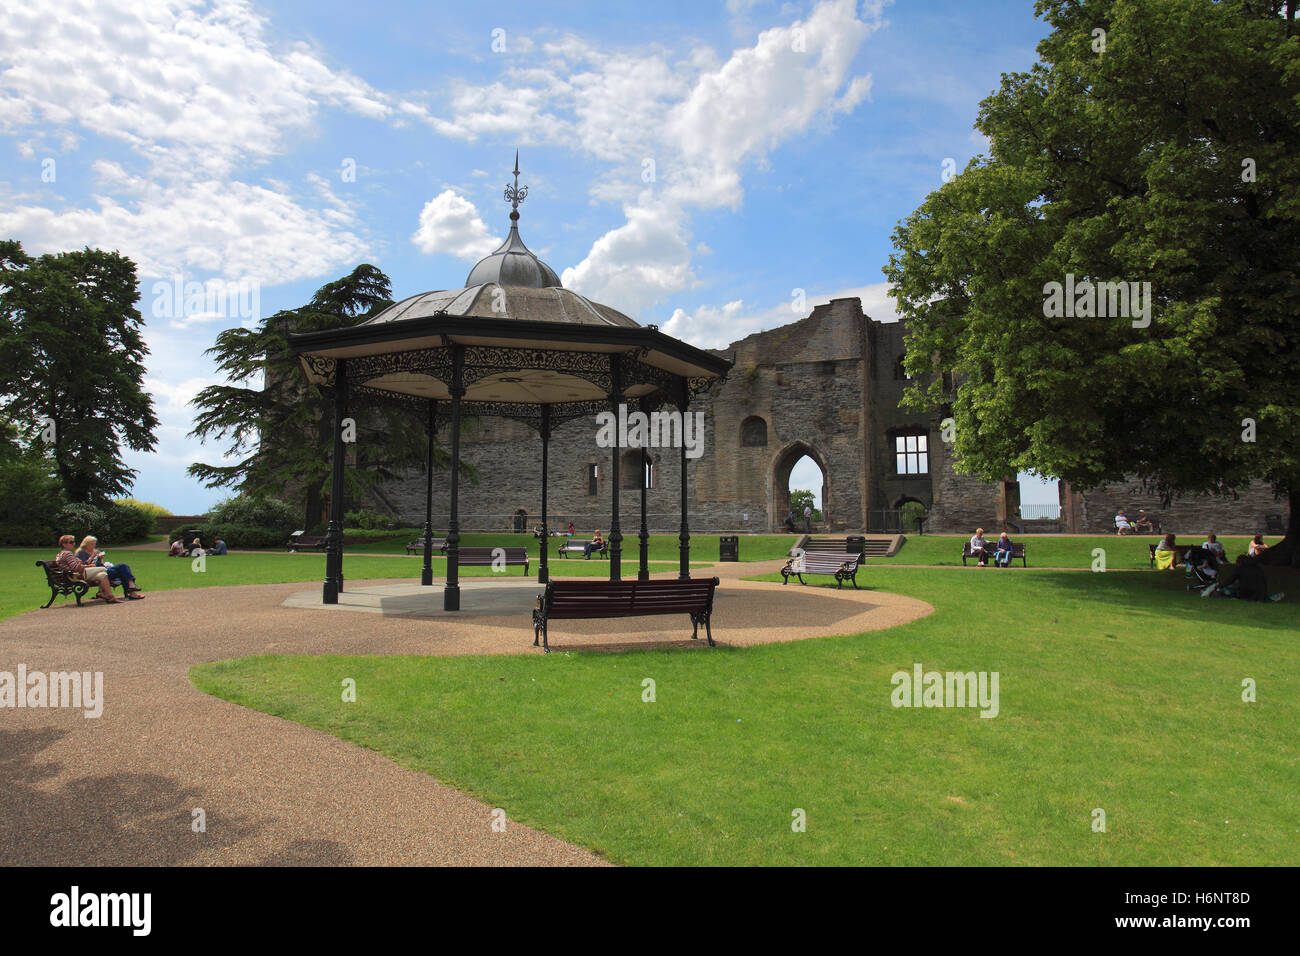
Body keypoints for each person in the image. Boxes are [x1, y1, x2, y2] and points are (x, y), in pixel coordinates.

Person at [54, 534, 122, 603]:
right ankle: (110, 591)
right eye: (71, 542)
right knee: (103, 569)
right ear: (64, 544)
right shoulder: (67, 554)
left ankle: (110, 596)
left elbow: (75, 566)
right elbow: (75, 568)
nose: (73, 544)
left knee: (103, 574)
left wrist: (83, 564)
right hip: (75, 576)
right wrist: (88, 566)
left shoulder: (62, 554)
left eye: (74, 542)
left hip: (75, 574)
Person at [76, 535, 144, 598]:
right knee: (122, 568)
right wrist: (92, 556)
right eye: (92, 544)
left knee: (124, 567)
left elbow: (100, 564)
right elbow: (82, 565)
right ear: (86, 544)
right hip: (95, 572)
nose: (93, 546)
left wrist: (100, 559)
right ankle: (132, 590)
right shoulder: (81, 553)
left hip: (103, 569)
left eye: (94, 544)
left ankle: (131, 588)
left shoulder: (93, 551)